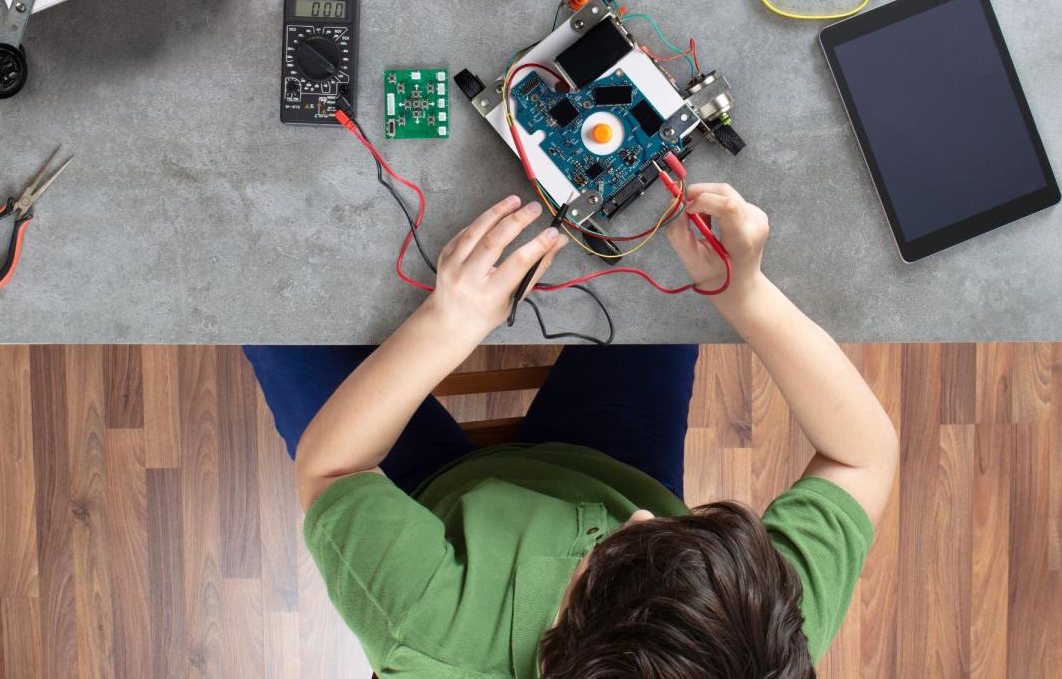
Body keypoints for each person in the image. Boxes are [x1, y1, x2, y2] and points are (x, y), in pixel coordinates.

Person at [245, 184, 898, 679]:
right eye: (669, 528)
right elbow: (862, 458)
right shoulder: (755, 627)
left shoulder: (434, 640)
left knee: (261, 291)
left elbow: (330, 469)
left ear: (558, 642)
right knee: (667, 279)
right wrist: (744, 294)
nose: (643, 517)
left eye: (614, 552)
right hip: (606, 460)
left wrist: (450, 323)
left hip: (419, 492)